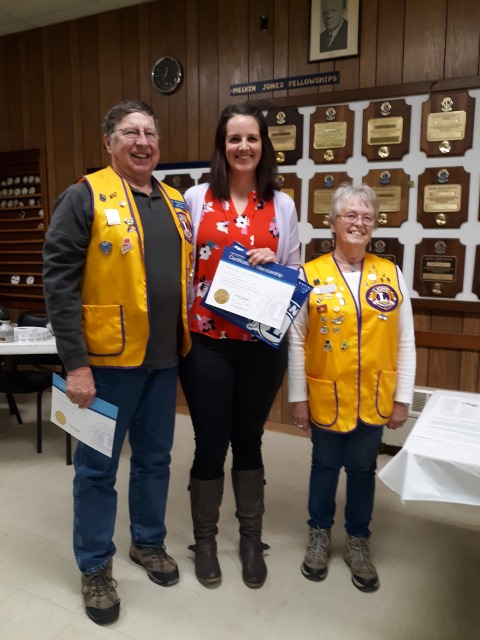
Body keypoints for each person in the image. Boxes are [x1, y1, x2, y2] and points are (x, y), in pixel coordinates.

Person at [43, 100, 193, 625]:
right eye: (130, 132)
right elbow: (58, 282)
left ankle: (148, 544)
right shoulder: (84, 195)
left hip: (163, 362)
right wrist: (75, 364)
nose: (143, 141)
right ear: (109, 142)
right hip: (103, 365)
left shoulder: (176, 203)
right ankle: (95, 566)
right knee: (96, 471)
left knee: (155, 461)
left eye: (150, 132)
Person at [179, 103, 300, 590]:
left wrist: (276, 261)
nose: (244, 147)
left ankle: (251, 539)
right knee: (209, 441)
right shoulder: (195, 198)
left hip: (259, 344)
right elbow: (185, 270)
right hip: (207, 340)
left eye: (252, 138)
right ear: (221, 145)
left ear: (264, 145)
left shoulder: (283, 204)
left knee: (248, 440)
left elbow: (296, 274)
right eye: (234, 139)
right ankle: (204, 541)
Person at [288, 183, 415, 592]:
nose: (358, 223)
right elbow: (296, 338)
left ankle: (359, 540)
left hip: (374, 395)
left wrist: (403, 400)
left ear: (374, 225)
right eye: (350, 215)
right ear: (333, 223)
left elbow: (405, 339)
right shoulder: (311, 273)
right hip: (327, 394)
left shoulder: (390, 273)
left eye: (367, 217)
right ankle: (319, 535)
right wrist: (298, 397)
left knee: (362, 470)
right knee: (324, 468)